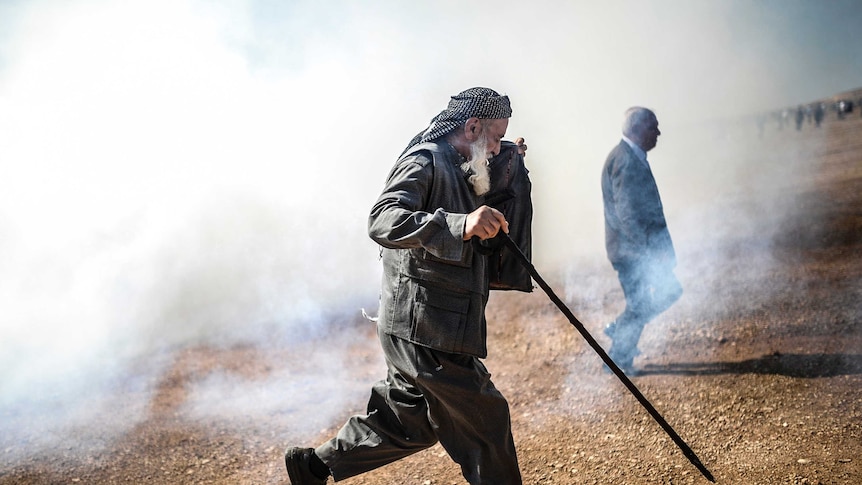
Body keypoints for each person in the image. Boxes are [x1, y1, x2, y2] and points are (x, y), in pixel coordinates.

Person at [284, 87, 522, 484]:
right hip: (426, 327)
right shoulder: (426, 160)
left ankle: (314, 467)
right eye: (496, 137)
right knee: (486, 421)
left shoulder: (466, 162)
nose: (498, 147)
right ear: (472, 125)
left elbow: (473, 191)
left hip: (427, 323)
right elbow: (382, 218)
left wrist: (507, 161)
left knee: (408, 420)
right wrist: (460, 224)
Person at [601, 107, 682, 374]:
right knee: (646, 302)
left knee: (660, 295)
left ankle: (619, 341)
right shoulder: (625, 160)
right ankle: (615, 361)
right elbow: (629, 216)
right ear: (636, 129)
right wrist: (650, 254)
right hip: (632, 252)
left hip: (636, 250)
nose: (658, 132)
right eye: (653, 127)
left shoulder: (632, 156)